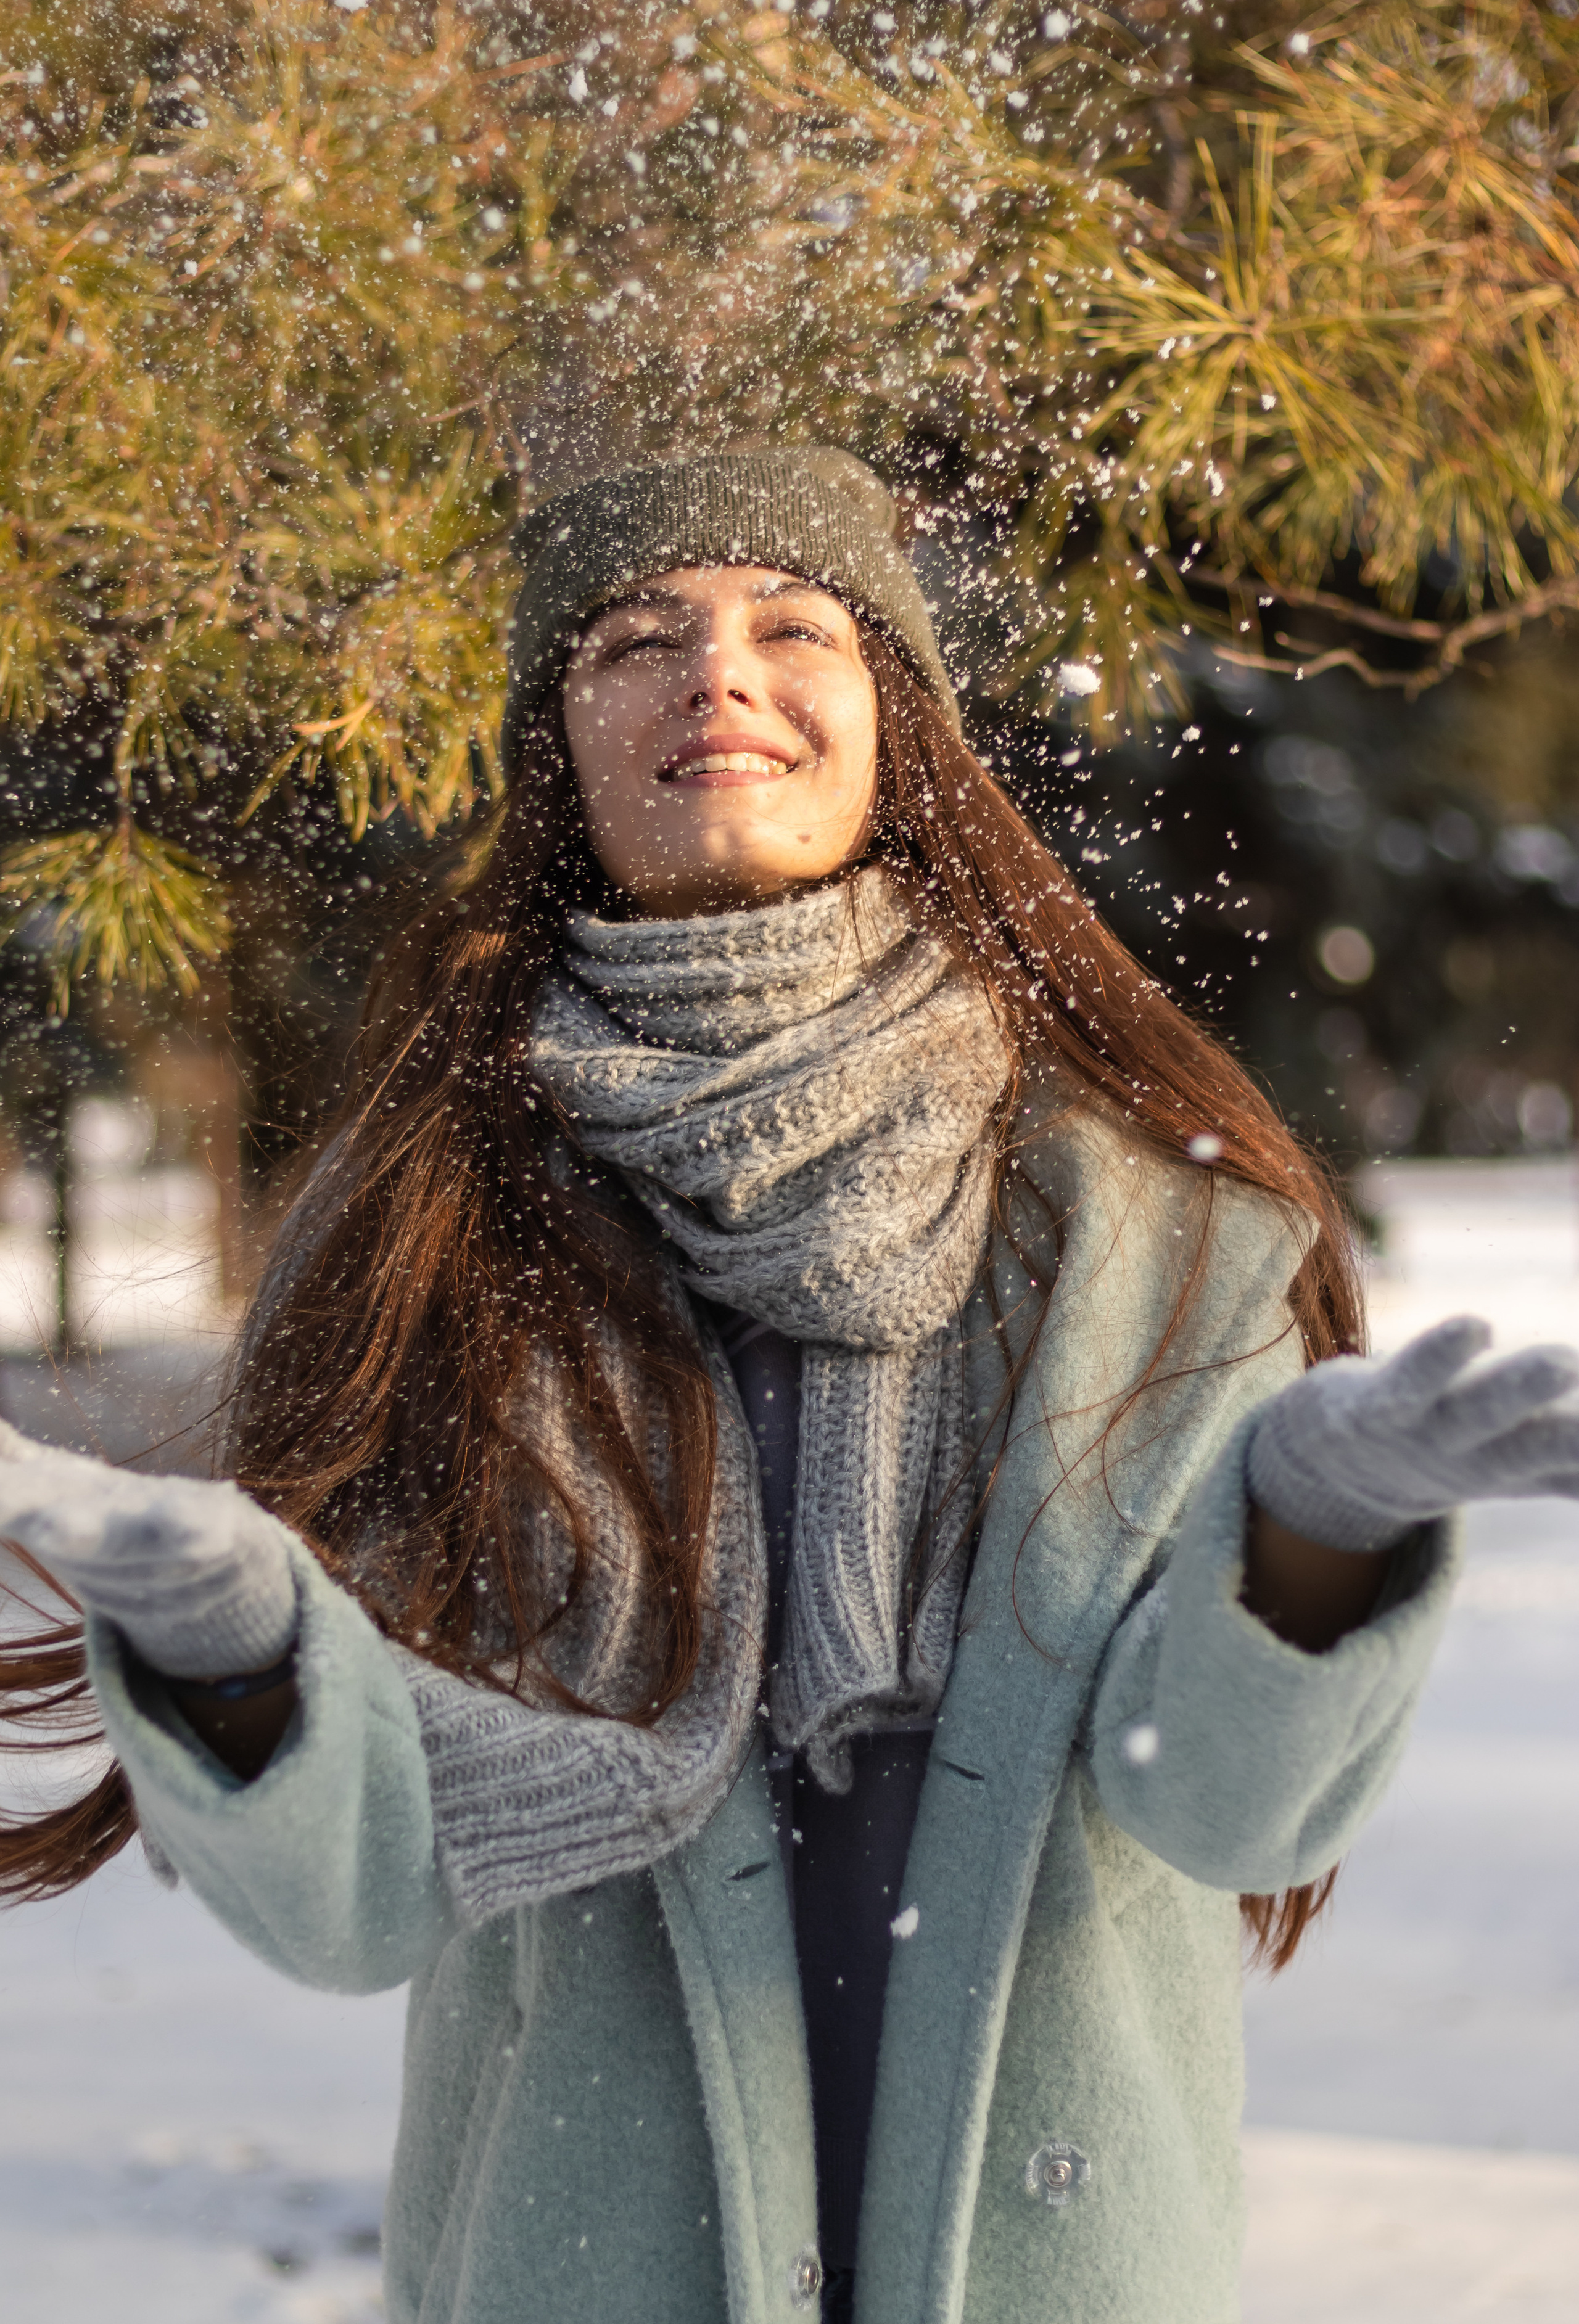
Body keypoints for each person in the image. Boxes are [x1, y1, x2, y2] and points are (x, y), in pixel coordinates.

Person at [3, 446, 1578, 2324]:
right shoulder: (428, 1238)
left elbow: (1234, 1811)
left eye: (793, 624)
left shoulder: (1153, 1249)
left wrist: (1314, 1542)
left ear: (892, 722)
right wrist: (248, 1655)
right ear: (560, 755)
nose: (718, 673)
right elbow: (361, 1897)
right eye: (632, 642)